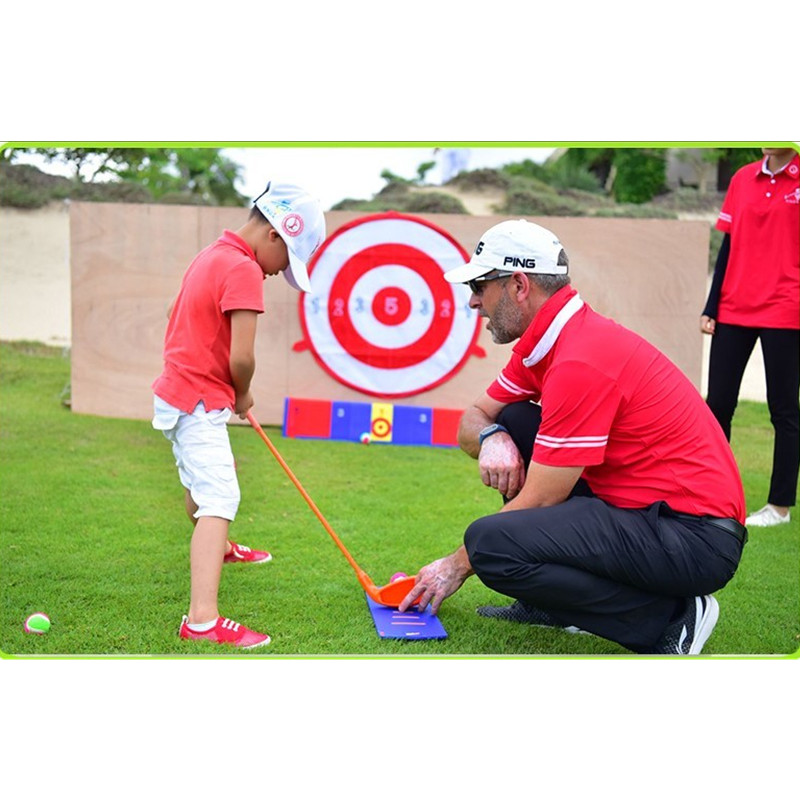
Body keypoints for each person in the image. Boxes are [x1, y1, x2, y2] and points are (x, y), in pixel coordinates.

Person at [398, 219, 747, 655]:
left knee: (488, 545)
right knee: (515, 420)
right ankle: (550, 604)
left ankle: (669, 619)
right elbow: (474, 417)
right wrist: (492, 436)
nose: (473, 302)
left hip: (693, 539)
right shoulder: (548, 342)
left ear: (519, 286)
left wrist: (453, 566)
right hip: (658, 519)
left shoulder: (580, 357)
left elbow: (542, 499)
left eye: (480, 285)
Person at [152, 181, 325, 648]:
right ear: (276, 236)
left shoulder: (210, 254)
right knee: (220, 499)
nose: (279, 273)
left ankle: (222, 550)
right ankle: (202, 621)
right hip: (200, 399)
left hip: (175, 393)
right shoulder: (245, 269)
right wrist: (242, 394)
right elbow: (242, 359)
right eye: (287, 262)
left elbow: (174, 310)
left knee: (200, 486)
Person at [701, 147, 799, 528]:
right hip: (734, 305)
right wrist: (711, 306)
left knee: (784, 409)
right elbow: (727, 246)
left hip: (786, 307)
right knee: (719, 406)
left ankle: (779, 507)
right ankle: (711, 494)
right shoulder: (742, 178)